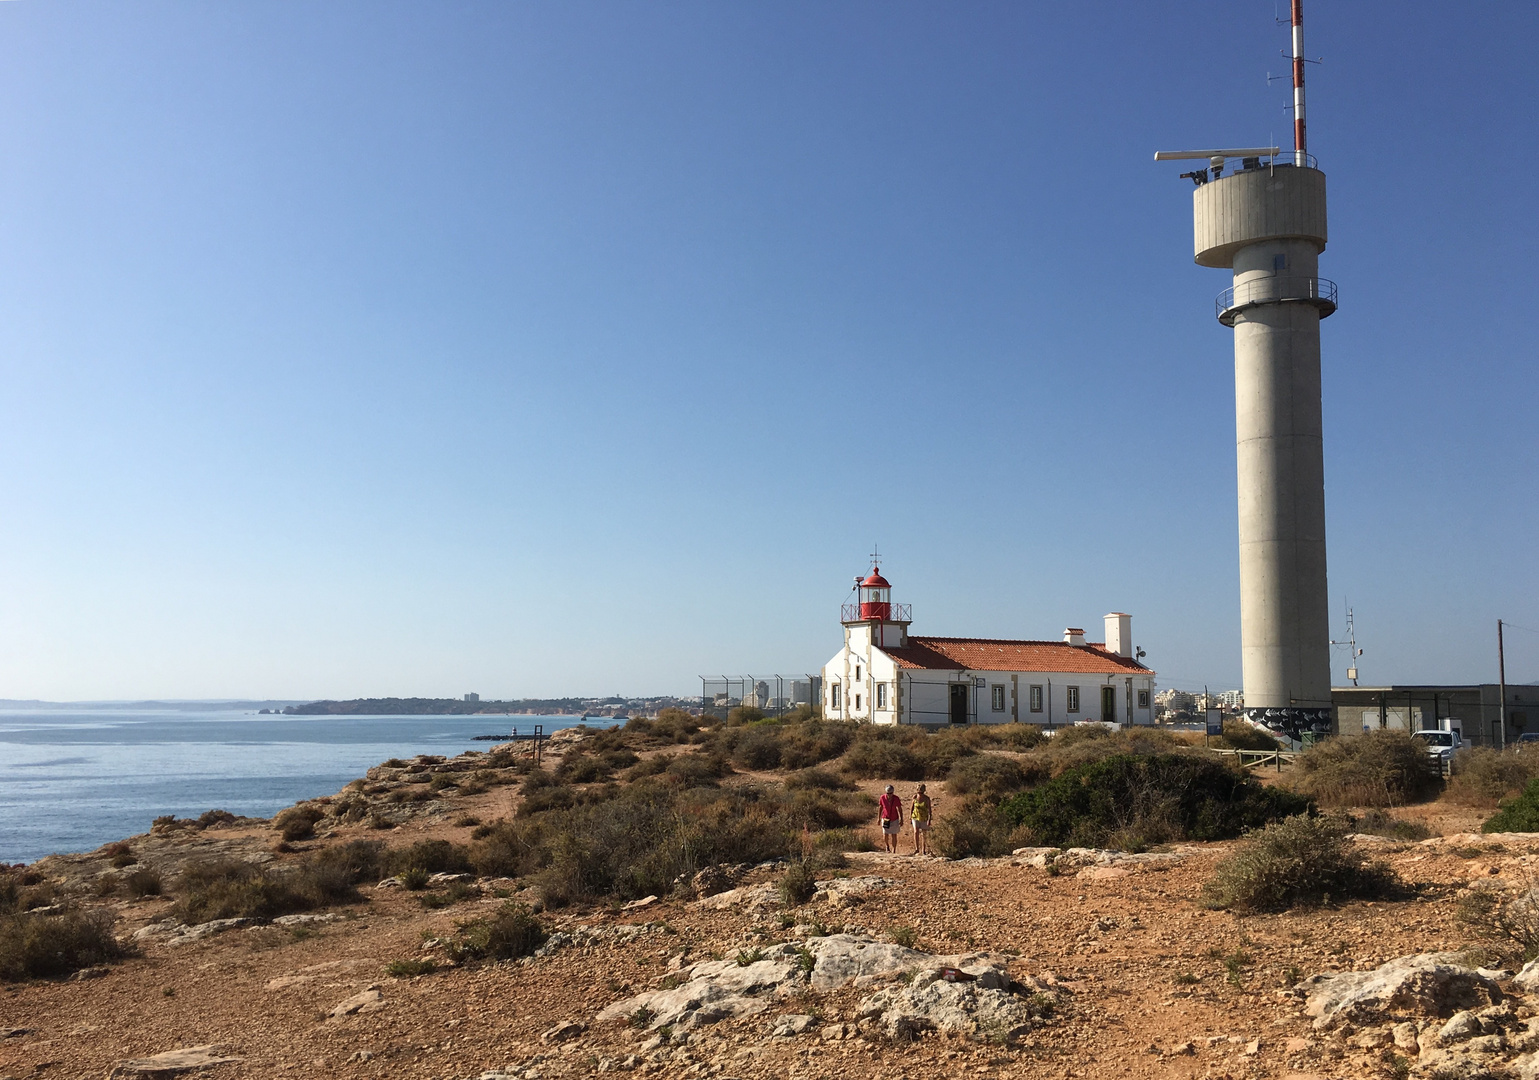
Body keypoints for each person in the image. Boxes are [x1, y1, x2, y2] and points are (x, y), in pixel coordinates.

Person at [877, 784, 903, 853]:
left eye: (891, 793)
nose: (889, 795)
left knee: (894, 834)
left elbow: (899, 809)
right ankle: (887, 846)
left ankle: (894, 849)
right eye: (888, 793)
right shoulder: (882, 798)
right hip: (886, 818)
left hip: (894, 818)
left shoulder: (896, 798)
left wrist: (901, 819)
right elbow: (881, 807)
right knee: (885, 833)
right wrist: (879, 818)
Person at [910, 783, 933, 855]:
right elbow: (912, 808)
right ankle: (917, 848)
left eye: (921, 792)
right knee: (916, 832)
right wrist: (910, 817)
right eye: (919, 792)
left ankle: (923, 849)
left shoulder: (927, 799)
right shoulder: (914, 798)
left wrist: (929, 819)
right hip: (915, 817)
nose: (920, 793)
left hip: (924, 818)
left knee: (924, 834)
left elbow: (929, 809)